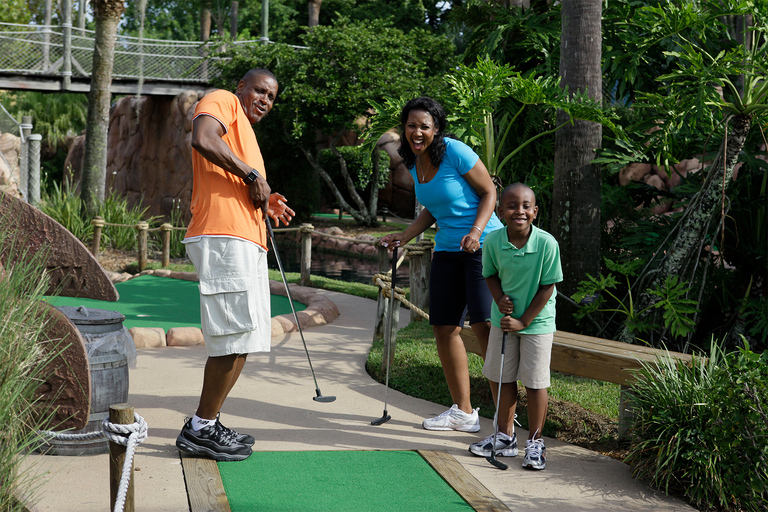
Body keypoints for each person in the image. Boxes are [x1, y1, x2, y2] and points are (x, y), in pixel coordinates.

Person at [175, 68, 294, 462]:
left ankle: (208, 424)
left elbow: (235, 177)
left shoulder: (246, 131)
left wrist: (262, 198)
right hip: (223, 236)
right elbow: (203, 139)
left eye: (271, 97)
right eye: (260, 90)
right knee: (231, 337)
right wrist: (251, 174)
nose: (265, 100)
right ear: (242, 87)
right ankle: (199, 428)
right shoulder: (222, 99)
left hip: (243, 237)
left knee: (243, 337)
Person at [380, 96, 503, 432]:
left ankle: (505, 421)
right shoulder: (411, 161)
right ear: (403, 128)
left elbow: (490, 192)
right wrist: (404, 237)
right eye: (411, 125)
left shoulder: (454, 151)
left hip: (484, 247)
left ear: (436, 128)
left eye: (424, 126)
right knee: (444, 327)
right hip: (448, 249)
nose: (417, 132)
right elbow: (435, 206)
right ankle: (464, 413)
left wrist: (476, 231)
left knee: (485, 328)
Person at [468, 183, 562, 470]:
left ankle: (535, 441)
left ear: (534, 211)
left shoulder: (547, 243)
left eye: (525, 206)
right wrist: (499, 300)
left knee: (534, 382)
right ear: (500, 212)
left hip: (537, 323)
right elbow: (490, 275)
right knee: (501, 376)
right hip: (504, 322)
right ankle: (505, 437)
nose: (518, 210)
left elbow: (548, 286)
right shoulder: (494, 241)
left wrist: (524, 320)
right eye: (511, 205)